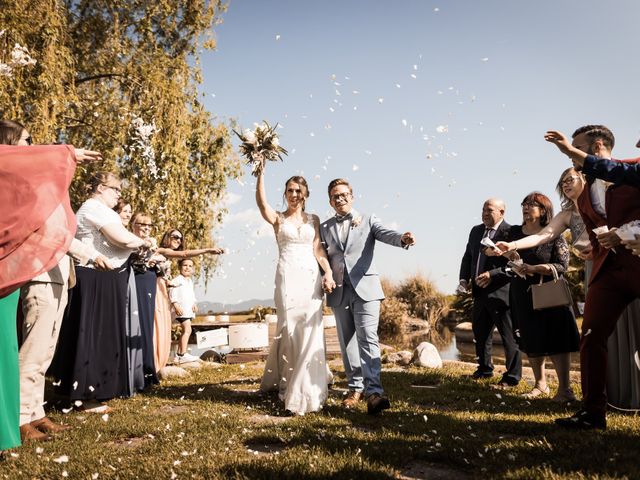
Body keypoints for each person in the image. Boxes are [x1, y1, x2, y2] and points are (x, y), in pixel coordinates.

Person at [497, 167, 640, 409]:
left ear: (585, 179)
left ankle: (632, 390)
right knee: (603, 335)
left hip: (625, 263)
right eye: (562, 181)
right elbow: (543, 236)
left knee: (629, 328)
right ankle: (614, 394)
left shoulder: (606, 204)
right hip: (595, 270)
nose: (565, 184)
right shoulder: (566, 215)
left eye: (569, 179)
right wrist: (511, 244)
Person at [0, 120, 100, 450]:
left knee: (45, 349)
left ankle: (35, 409)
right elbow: (48, 232)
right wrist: (87, 252)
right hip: (38, 275)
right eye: (27, 141)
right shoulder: (19, 194)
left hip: (58, 271)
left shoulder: (37, 188)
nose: (34, 146)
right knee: (32, 348)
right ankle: (19, 417)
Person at [544, 125, 640, 429]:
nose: (572, 158)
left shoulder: (631, 169)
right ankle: (593, 411)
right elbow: (592, 231)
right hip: (607, 272)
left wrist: (625, 233)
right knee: (591, 336)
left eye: (577, 149)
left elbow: (609, 168)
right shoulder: (583, 196)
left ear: (595, 146)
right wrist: (589, 247)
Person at [50, 172, 150, 412]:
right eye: (116, 189)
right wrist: (145, 242)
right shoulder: (93, 207)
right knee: (93, 333)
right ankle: (85, 394)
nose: (119, 194)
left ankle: (98, 389)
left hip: (106, 276)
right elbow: (120, 239)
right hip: (93, 275)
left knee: (104, 333)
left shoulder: (103, 210)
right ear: (100, 188)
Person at [320, 178, 415, 415]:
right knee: (347, 343)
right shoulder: (324, 227)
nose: (340, 199)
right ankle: (355, 388)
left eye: (343, 194)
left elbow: (386, 234)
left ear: (352, 196)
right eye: (335, 196)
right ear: (330, 201)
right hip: (339, 291)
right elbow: (321, 256)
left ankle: (374, 392)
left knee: (368, 338)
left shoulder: (369, 219)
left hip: (367, 289)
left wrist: (402, 238)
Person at [256, 168, 336, 415]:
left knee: (311, 328)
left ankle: (309, 382)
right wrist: (260, 174)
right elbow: (261, 204)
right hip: (287, 277)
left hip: (310, 276)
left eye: (298, 191)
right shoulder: (278, 219)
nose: (294, 194)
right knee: (289, 329)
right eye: (290, 190)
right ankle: (289, 382)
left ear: (306, 195)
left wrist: (328, 273)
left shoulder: (314, 219)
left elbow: (318, 251)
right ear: (285, 193)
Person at [504, 192, 579, 400]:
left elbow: (562, 266)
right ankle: (540, 385)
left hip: (549, 294)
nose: (526, 207)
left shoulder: (554, 235)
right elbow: (508, 259)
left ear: (543, 210)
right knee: (531, 337)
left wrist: (534, 268)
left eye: (532, 204)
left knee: (557, 339)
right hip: (522, 293)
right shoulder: (514, 234)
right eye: (524, 203)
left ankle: (565, 389)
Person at [458, 199, 522, 387]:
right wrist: (464, 279)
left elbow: (515, 265)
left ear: (501, 212)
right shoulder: (476, 231)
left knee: (508, 337)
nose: (485, 213)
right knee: (481, 333)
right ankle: (484, 370)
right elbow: (468, 256)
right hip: (479, 293)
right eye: (483, 209)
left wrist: (492, 274)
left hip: (501, 293)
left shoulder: (511, 232)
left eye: (490, 210)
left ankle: (512, 377)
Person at [153, 229, 224, 372]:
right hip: (158, 294)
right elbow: (184, 254)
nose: (179, 240)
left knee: (169, 327)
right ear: (167, 237)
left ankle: (167, 357)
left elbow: (186, 291)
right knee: (183, 329)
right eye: (175, 237)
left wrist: (193, 302)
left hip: (164, 293)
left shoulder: (184, 276)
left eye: (180, 238)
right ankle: (179, 354)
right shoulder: (161, 251)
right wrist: (208, 250)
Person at [131, 213, 163, 386]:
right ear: (133, 224)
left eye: (149, 225)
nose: (146, 227)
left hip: (150, 282)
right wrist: (148, 260)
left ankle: (149, 369)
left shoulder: (153, 242)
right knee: (139, 324)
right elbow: (128, 262)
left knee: (148, 325)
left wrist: (158, 262)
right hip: (136, 281)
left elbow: (160, 268)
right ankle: (138, 372)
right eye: (142, 224)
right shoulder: (129, 240)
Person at [169, 259, 200, 364]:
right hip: (181, 310)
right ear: (179, 267)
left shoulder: (189, 281)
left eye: (190, 266)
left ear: (193, 269)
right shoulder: (177, 280)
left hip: (188, 310)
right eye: (185, 265)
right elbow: (172, 292)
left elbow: (191, 295)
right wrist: (175, 305)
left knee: (185, 331)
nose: (187, 267)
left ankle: (177, 356)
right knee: (187, 330)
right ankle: (183, 354)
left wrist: (194, 304)